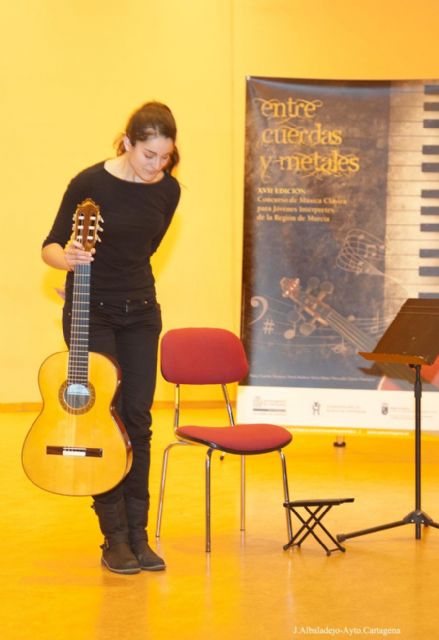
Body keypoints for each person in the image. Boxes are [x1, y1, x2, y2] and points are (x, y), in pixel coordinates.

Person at [41, 101, 181, 575]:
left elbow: (145, 250)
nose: (156, 166)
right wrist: (68, 261)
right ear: (127, 143)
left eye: (164, 157)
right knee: (104, 417)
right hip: (92, 314)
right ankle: (114, 537)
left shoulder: (168, 191)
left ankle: (140, 535)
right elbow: (50, 245)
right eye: (148, 155)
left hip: (141, 313)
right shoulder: (90, 183)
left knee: (138, 420)